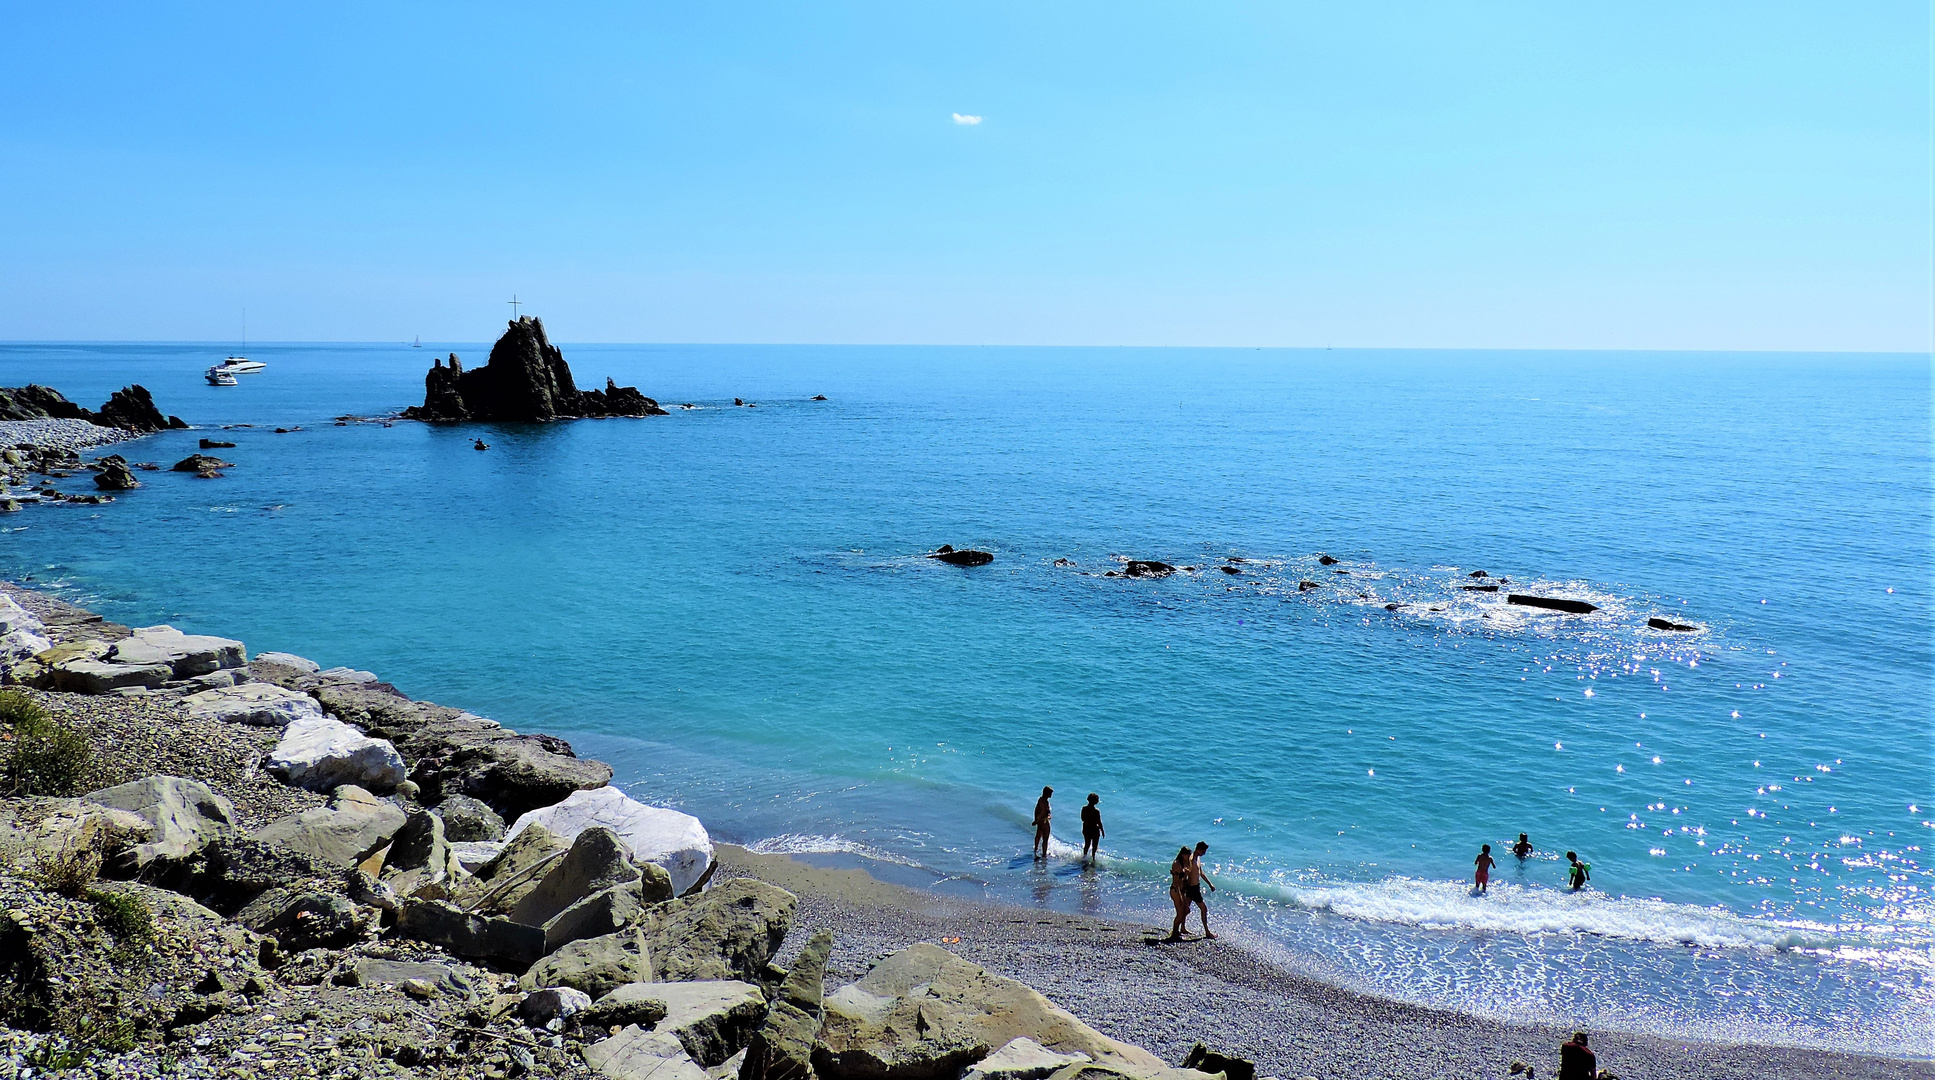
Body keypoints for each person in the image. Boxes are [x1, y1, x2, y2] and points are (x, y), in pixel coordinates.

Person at [1187, 841, 1217, 939]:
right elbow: (1186, 874)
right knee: (1204, 909)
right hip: (1192, 888)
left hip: (1196, 887)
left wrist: (1210, 884)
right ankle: (1207, 932)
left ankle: (1181, 928)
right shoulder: (1191, 859)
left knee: (1185, 909)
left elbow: (1201, 873)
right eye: (1203, 851)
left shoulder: (1198, 858)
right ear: (1199, 849)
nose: (1204, 853)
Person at [1166, 846, 1192, 941]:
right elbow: (1176, 881)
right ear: (1183, 854)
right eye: (1187, 855)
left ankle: (1179, 930)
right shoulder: (1177, 864)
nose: (1188, 857)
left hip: (1182, 890)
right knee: (1180, 913)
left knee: (1186, 910)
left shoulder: (1184, 863)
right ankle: (1175, 932)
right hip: (1176, 890)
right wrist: (1180, 894)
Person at [1079, 793, 1104, 865]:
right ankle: (1093, 858)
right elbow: (1099, 822)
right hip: (1094, 829)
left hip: (1086, 828)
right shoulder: (1096, 811)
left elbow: (1082, 819)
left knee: (1087, 844)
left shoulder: (1084, 808)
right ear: (1096, 802)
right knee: (1094, 845)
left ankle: (1084, 857)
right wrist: (1102, 830)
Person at [1032, 786, 1053, 859]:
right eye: (1050, 793)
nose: (1051, 794)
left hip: (1040, 822)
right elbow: (1044, 812)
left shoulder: (1040, 799)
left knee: (1038, 835)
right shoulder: (1045, 802)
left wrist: (1036, 820)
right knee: (1045, 839)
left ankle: (1035, 849)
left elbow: (1036, 810)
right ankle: (1044, 854)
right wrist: (1047, 817)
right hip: (1044, 821)